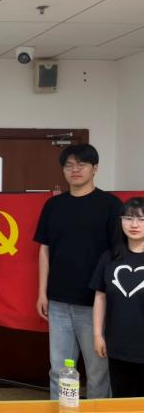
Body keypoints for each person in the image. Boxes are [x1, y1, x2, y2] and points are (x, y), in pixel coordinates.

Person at [34, 144, 122, 399]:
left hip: (95, 304)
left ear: (95, 168)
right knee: (59, 369)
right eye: (69, 165)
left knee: (98, 370)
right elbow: (44, 250)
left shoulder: (111, 205)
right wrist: (42, 293)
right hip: (58, 302)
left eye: (81, 164)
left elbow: (118, 255)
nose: (75, 169)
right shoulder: (53, 205)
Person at [91, 197, 144, 398]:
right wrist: (98, 335)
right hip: (118, 346)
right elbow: (100, 297)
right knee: (121, 400)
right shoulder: (109, 257)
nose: (134, 224)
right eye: (128, 218)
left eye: (141, 219)